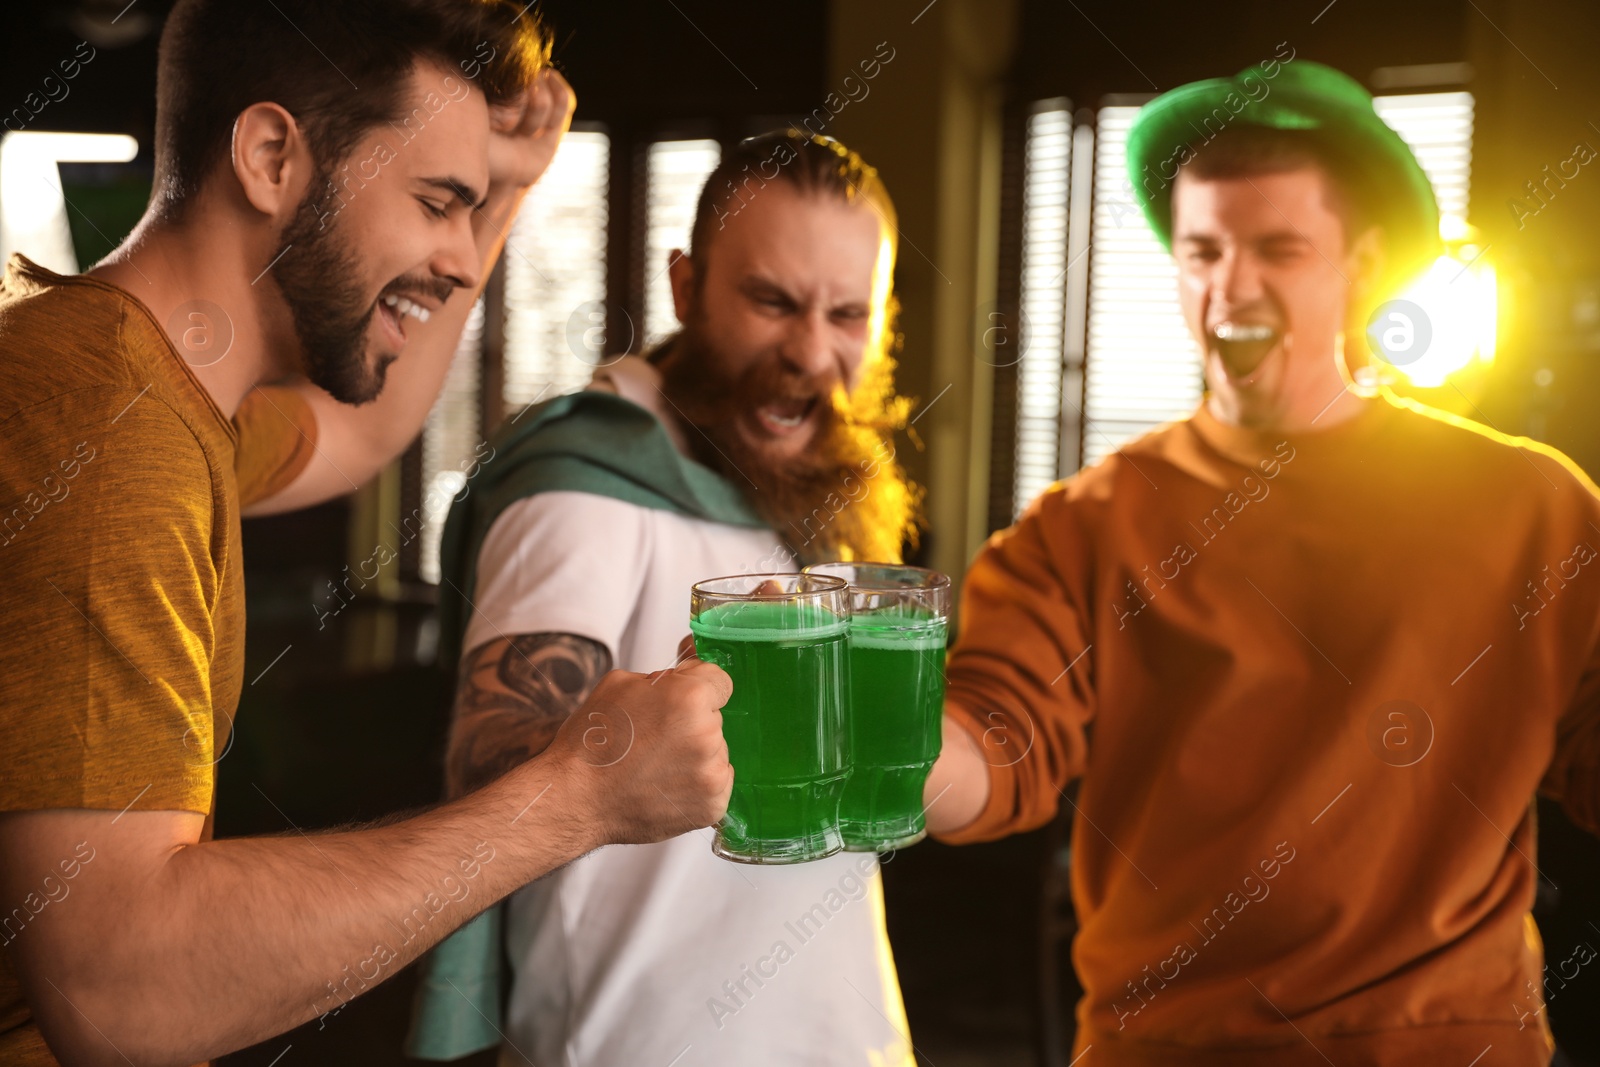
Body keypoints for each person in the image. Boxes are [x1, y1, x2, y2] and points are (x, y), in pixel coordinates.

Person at [0, 4, 734, 1064]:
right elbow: (122, 991)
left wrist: (501, 198)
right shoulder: (107, 428)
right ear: (269, 155)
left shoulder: (151, 389)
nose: (453, 255)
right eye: (435, 201)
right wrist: (580, 793)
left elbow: (364, 426)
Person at [924, 61, 1600, 1064]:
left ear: (1362, 266)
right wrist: (864, 739)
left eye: (1277, 249)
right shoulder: (1082, 524)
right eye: (1200, 252)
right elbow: (992, 740)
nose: (1228, 289)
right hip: (1166, 1046)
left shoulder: (1533, 509)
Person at [409, 130, 923, 1065]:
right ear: (686, 289)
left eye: (848, 313)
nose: (811, 351)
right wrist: (622, 755)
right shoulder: (584, 482)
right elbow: (485, 779)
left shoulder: (815, 480)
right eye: (771, 301)